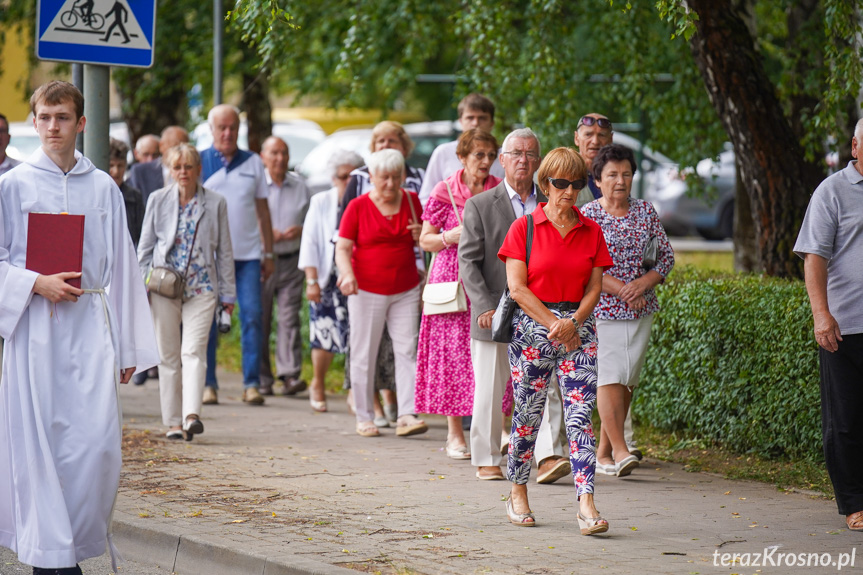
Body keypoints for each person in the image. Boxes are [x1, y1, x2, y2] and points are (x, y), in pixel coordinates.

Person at [0, 80, 159, 574]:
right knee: (40, 439)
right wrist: (33, 283)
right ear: (33, 121)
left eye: (62, 118)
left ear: (81, 124)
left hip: (89, 328)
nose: (53, 127)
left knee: (94, 447)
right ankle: (51, 555)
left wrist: (130, 343)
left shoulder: (102, 187)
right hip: (34, 333)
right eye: (45, 117)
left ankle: (71, 538)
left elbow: (126, 269)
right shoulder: (14, 186)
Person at [497, 147, 613, 532]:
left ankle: (587, 504)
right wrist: (554, 323)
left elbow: (595, 289)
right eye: (560, 183)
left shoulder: (591, 230)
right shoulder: (524, 228)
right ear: (545, 184)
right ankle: (517, 491)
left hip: (579, 333)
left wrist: (573, 322)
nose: (569, 191)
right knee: (527, 417)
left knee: (581, 419)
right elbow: (517, 288)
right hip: (534, 328)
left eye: (576, 183)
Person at [460, 128, 572, 483]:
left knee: (545, 385)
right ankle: (488, 456)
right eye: (516, 154)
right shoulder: (480, 204)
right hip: (496, 312)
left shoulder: (552, 202)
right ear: (503, 160)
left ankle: (549, 456)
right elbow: (468, 261)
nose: (523, 160)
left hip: (542, 312)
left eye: (530, 154)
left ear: (539, 163)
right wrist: (484, 306)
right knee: (491, 389)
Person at [581, 144, 674, 478]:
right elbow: (583, 265)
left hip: (640, 308)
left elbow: (666, 257)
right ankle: (621, 451)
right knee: (608, 376)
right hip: (601, 308)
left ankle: (603, 453)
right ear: (597, 179)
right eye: (611, 175)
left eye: (626, 174)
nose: (620, 181)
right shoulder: (589, 215)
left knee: (627, 379)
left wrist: (643, 284)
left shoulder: (645, 211)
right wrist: (621, 289)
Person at [138, 143, 236, 441]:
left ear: (198, 170)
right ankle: (172, 422)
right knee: (168, 355)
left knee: (192, 351)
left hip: (202, 286)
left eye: (188, 167)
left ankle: (191, 414)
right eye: (177, 167)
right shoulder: (158, 199)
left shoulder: (215, 202)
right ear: (170, 170)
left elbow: (226, 253)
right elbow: (144, 248)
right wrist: (144, 282)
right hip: (164, 287)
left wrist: (228, 296)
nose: (183, 173)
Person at [794, 117, 863, 532]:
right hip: (847, 326)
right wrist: (822, 314)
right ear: (855, 146)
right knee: (846, 420)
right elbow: (814, 256)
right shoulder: (831, 192)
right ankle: (855, 503)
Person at [414, 129, 501, 459]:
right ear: (462, 157)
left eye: (491, 156)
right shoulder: (445, 189)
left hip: (489, 277)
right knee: (453, 357)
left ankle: (498, 428)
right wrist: (451, 236)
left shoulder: (498, 189)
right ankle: (455, 434)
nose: (486, 162)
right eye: (479, 155)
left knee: (495, 352)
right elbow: (425, 240)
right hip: (451, 280)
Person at [336, 149, 428, 438]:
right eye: (384, 178)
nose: (390, 183)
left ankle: (407, 414)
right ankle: (364, 416)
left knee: (407, 350)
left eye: (396, 177)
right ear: (372, 177)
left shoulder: (412, 201)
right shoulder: (358, 206)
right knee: (364, 353)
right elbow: (342, 247)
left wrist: (420, 235)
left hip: (405, 287)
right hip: (366, 288)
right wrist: (347, 274)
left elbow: (427, 239)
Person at [201, 104, 275, 406]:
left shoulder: (254, 162)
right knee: (205, 320)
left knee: (254, 316)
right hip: (209, 258)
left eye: (233, 127)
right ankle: (208, 384)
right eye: (222, 127)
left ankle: (251, 383)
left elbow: (262, 210)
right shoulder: (199, 161)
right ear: (212, 130)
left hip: (247, 256)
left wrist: (268, 251)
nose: (228, 133)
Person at [299, 150, 364, 412]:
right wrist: (311, 280)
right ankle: (318, 383)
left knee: (356, 336)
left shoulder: (363, 201)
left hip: (356, 278)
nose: (347, 182)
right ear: (332, 177)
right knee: (323, 334)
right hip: (327, 277)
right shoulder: (321, 201)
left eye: (352, 177)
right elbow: (310, 241)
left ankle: (354, 390)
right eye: (341, 177)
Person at [128, 126, 190, 386]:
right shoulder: (142, 172)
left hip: (181, 259)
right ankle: (142, 364)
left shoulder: (190, 174)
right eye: (175, 146)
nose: (181, 152)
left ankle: (165, 365)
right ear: (164, 149)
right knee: (146, 309)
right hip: (150, 250)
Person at [260, 136, 311, 396]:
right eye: (274, 153)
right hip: (263, 260)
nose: (280, 158)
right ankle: (261, 378)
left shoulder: (300, 186)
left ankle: (289, 375)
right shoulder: (257, 186)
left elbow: (311, 223)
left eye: (284, 153)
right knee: (261, 318)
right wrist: (267, 235)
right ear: (263, 157)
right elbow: (245, 223)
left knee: (289, 318)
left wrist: (299, 230)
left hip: (292, 259)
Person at [418, 93, 505, 206]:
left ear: (492, 123)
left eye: (482, 118)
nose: (475, 123)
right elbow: (426, 198)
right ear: (460, 121)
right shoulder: (443, 152)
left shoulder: (505, 155)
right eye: (470, 118)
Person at [127, 126, 190, 205]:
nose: (180, 153)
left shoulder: (193, 170)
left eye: (185, 148)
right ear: (161, 146)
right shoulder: (140, 172)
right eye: (175, 147)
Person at [108, 137, 144, 247]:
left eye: (120, 166)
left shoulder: (134, 196)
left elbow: (141, 235)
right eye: (111, 165)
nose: (116, 171)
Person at [573, 114, 614, 207]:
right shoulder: (563, 172)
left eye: (602, 135)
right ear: (576, 138)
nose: (595, 141)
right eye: (588, 134)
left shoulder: (618, 175)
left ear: (611, 139)